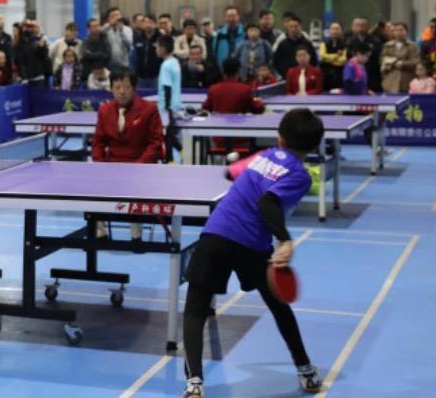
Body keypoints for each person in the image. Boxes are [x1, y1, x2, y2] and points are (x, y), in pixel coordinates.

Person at [182, 109, 324, 397]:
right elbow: (268, 203)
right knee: (279, 306)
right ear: (314, 146)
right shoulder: (300, 175)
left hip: (217, 234)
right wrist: (285, 241)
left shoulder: (265, 155)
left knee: (195, 311)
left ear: (279, 138)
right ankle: (305, 371)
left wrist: (247, 170)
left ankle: (194, 382)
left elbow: (229, 172)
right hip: (252, 245)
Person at [91, 71, 164, 241]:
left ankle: (136, 236)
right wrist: (100, 164)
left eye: (126, 87)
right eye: (117, 87)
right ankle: (99, 234)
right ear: (111, 89)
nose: (122, 91)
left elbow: (155, 142)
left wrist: (139, 166)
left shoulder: (149, 109)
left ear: (134, 88)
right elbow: (98, 142)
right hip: (111, 166)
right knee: (91, 185)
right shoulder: (104, 110)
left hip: (140, 165)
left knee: (136, 186)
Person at [155, 35, 182, 159]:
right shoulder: (175, 61)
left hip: (167, 107)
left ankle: (170, 159)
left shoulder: (165, 66)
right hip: (175, 104)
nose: (156, 49)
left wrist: (167, 108)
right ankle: (177, 153)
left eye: (158, 47)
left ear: (164, 49)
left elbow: (167, 87)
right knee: (168, 135)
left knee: (167, 135)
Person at [381, 22, 419, 94]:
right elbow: (383, 60)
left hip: (407, 80)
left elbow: (416, 61)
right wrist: (392, 63)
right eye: (396, 30)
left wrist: (402, 64)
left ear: (406, 31)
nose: (398, 33)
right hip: (390, 80)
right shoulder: (388, 45)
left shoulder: (412, 46)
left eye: (401, 30)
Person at [14, 20, 51, 87]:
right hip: (26, 79)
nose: (28, 29)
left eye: (30, 27)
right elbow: (20, 62)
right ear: (22, 28)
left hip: (39, 77)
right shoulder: (18, 45)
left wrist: (42, 46)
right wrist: (24, 77)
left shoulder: (38, 40)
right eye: (26, 27)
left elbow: (44, 56)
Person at [131, 15, 162, 89]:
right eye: (146, 22)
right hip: (140, 77)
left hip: (156, 77)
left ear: (155, 24)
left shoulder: (161, 38)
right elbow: (133, 58)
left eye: (151, 22)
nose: (148, 25)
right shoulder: (137, 38)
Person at [318, 21, 348, 91]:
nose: (334, 31)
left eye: (337, 29)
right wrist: (337, 55)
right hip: (325, 76)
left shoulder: (345, 45)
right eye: (332, 29)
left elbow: (343, 60)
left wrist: (328, 59)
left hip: (340, 76)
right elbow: (322, 56)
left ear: (341, 31)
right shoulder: (323, 43)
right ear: (329, 31)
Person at [104, 7, 132, 72]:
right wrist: (110, 25)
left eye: (118, 15)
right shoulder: (106, 28)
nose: (116, 18)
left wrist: (121, 31)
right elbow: (99, 32)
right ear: (108, 18)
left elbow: (129, 44)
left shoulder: (127, 29)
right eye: (113, 16)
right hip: (109, 64)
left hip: (124, 64)